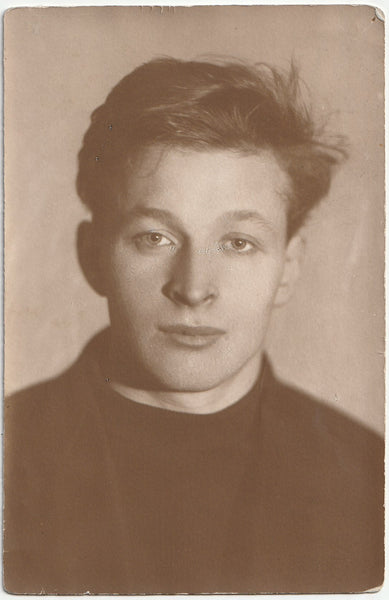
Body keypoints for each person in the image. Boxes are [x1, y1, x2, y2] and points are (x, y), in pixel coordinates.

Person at [4, 57, 384, 594]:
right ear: (92, 256)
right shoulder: (10, 455)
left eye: (238, 243)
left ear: (288, 268)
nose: (193, 287)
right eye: (153, 237)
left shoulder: (372, 482)